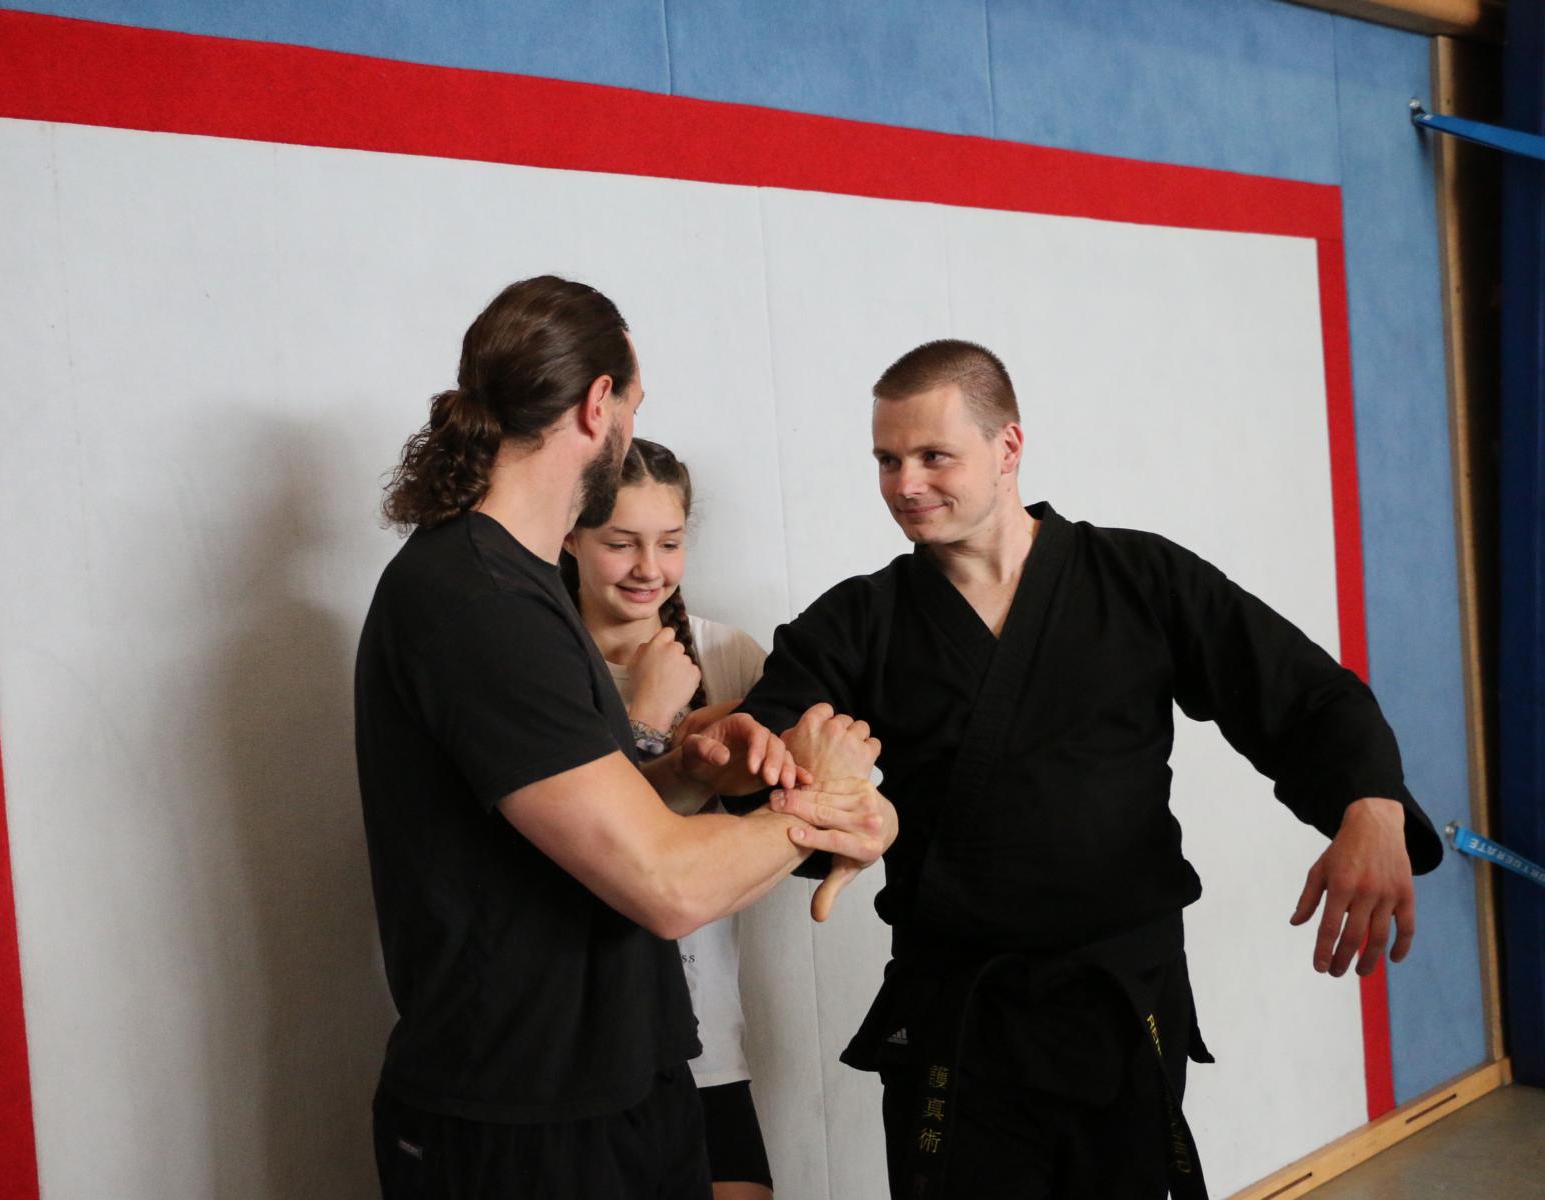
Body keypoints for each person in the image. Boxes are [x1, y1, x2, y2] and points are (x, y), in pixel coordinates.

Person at [734, 339, 1445, 1199]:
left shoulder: (1136, 577)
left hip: (1121, 1004)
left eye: (933, 456)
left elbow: (1306, 695)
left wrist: (1370, 806)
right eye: (886, 460)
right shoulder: (858, 621)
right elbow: (766, 747)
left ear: (1008, 448)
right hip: (960, 1018)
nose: (905, 484)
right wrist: (792, 781)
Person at [354, 275, 894, 1200]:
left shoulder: (516, 586)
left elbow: (582, 836)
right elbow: (669, 888)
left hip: (621, 1091)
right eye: (635, 405)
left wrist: (688, 773)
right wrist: (828, 806)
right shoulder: (474, 600)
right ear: (598, 404)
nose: (633, 429)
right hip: (518, 1124)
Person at [561, 437, 776, 1200]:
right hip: (576, 1047)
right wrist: (647, 717)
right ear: (570, 535)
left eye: (671, 542)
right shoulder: (539, 659)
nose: (649, 566)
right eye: (620, 542)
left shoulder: (730, 655)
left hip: (709, 1037)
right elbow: (591, 849)